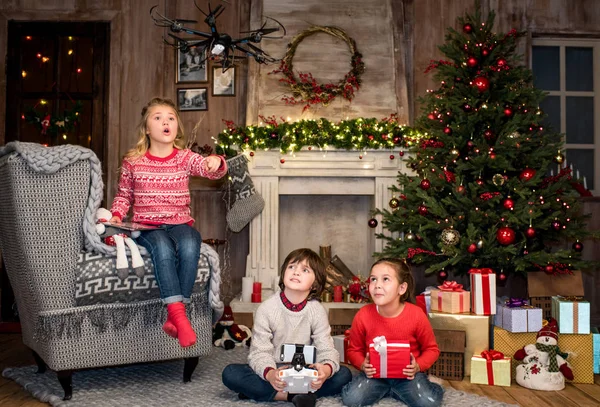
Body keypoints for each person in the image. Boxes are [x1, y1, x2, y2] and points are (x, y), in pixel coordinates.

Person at [109, 97, 227, 348]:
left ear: (177, 127)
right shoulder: (133, 161)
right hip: (146, 225)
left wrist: (215, 162)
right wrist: (116, 215)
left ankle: (175, 318)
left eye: (171, 118)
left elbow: (210, 170)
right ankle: (181, 318)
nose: (166, 122)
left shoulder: (184, 158)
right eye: (158, 117)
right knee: (162, 249)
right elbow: (124, 195)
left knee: (189, 244)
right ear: (147, 129)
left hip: (179, 222)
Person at [222, 248, 352, 407]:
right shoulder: (267, 309)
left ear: (315, 284)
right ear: (283, 274)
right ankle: (292, 396)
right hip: (276, 368)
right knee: (230, 373)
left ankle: (267, 393)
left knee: (344, 375)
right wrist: (270, 374)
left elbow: (326, 348)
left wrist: (325, 370)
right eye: (292, 267)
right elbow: (260, 352)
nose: (296, 272)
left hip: (306, 371)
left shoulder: (317, 311)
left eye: (305, 270)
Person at [341, 258, 444, 407]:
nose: (377, 285)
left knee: (428, 402)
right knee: (352, 399)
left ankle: (431, 385)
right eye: (373, 279)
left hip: (408, 376)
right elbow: (353, 350)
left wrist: (418, 366)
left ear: (401, 289)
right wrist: (363, 364)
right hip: (375, 376)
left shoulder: (416, 314)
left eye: (385, 279)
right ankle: (392, 391)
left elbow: (432, 349)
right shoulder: (363, 315)